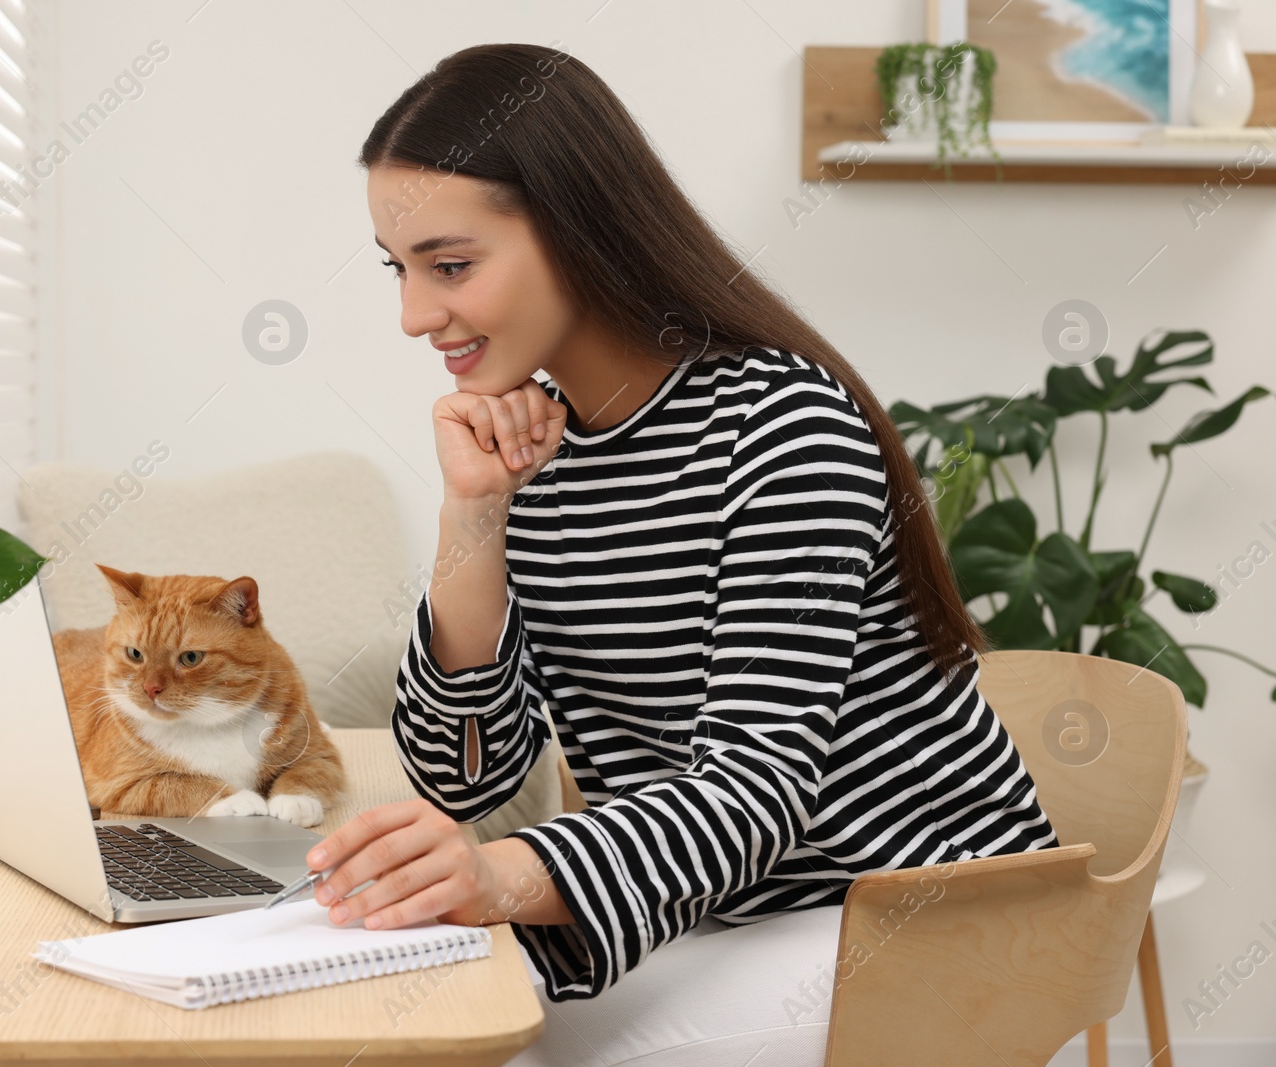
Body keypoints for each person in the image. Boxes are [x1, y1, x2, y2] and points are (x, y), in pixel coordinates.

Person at [300, 42, 1061, 1065]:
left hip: (916, 913)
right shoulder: (541, 446)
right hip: (715, 907)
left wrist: (501, 878)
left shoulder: (783, 427)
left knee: (492, 1046)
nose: (412, 316)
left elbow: (756, 789)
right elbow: (463, 776)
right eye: (401, 271)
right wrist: (472, 516)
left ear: (576, 227)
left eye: (450, 265)